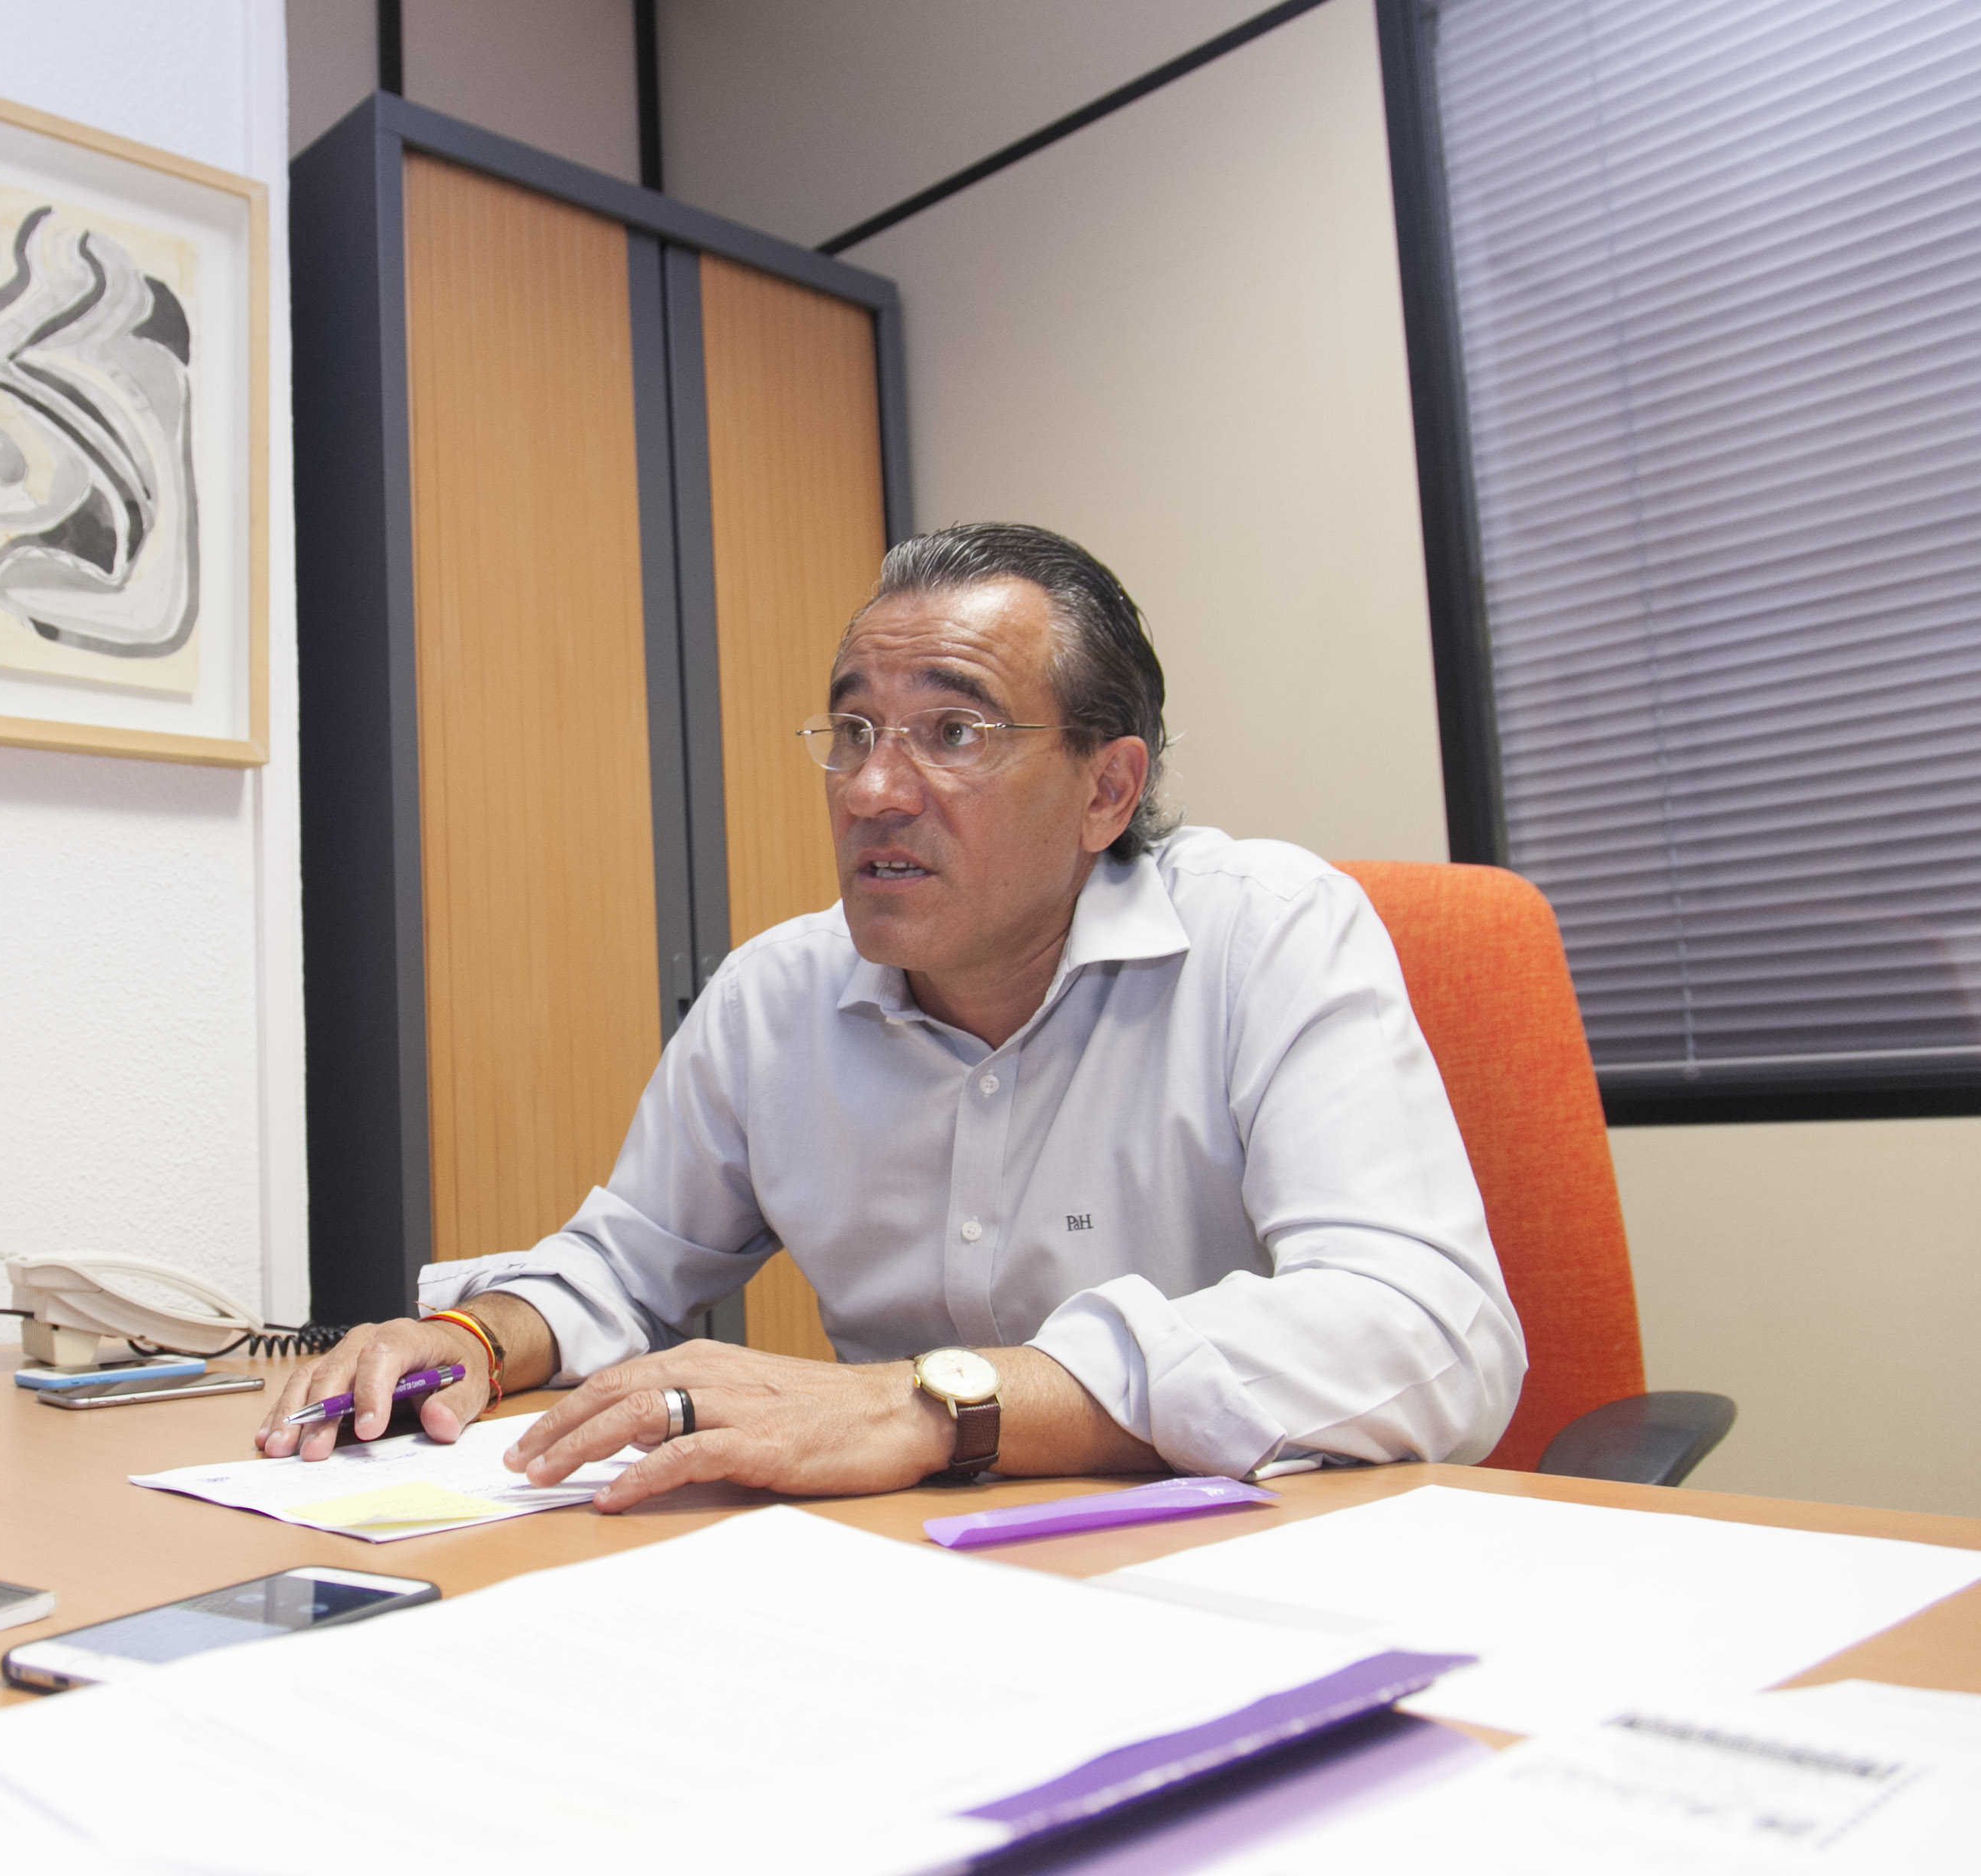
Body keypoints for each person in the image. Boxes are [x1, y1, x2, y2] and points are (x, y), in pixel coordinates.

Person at [257, 522, 1524, 1509]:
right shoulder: (777, 996)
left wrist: (929, 1407)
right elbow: (625, 1266)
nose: (871, 790)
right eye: (853, 729)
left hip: (1235, 1565)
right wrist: (471, 1337)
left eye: (952, 731)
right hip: (902, 1572)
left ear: (1107, 789)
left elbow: (1429, 1333)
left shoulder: (1267, 934)